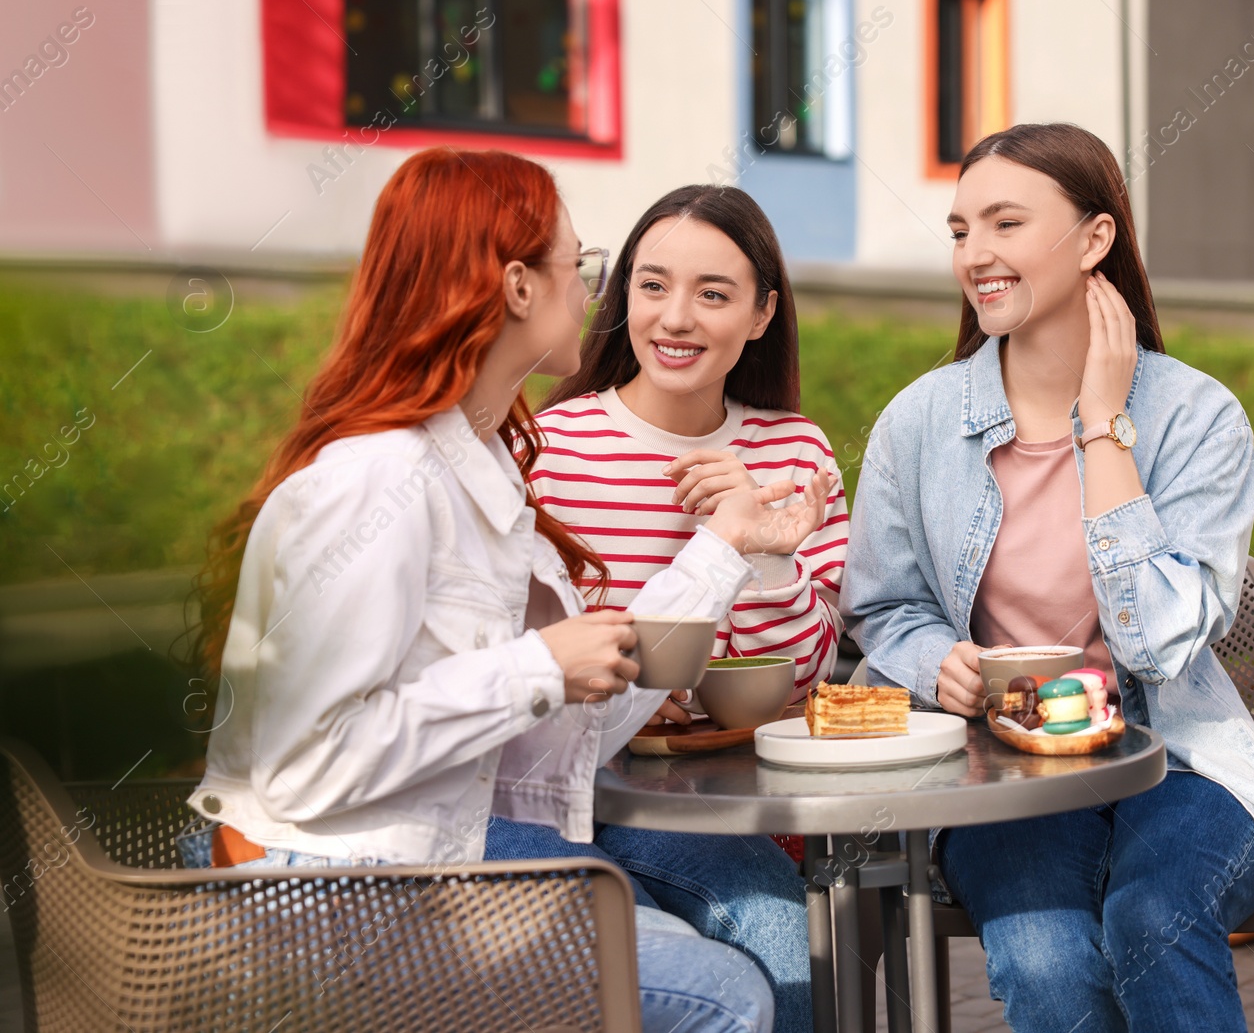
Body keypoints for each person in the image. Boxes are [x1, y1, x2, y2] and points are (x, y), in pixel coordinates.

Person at [182, 148, 833, 1033]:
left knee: (740, 953)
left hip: (421, 860)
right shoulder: (382, 482)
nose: (595, 294)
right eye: (584, 266)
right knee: (720, 994)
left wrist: (725, 549)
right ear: (520, 287)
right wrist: (536, 667)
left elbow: (575, 733)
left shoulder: (479, 466)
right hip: (333, 889)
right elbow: (308, 764)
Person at [840, 123, 1254, 1033]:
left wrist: (1101, 424)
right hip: (1004, 761)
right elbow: (885, 606)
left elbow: (1165, 644)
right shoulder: (918, 423)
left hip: (1180, 754)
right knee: (1045, 958)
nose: (977, 254)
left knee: (1155, 919)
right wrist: (939, 659)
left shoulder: (1198, 417)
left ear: (1095, 240)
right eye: (962, 230)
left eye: (1006, 223)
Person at [486, 185, 847, 1033]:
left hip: (701, 798)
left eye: (713, 293)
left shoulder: (795, 452)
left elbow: (806, 673)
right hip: (548, 784)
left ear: (761, 313)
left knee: (777, 930)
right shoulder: (551, 445)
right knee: (639, 960)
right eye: (652, 286)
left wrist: (761, 546)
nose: (675, 318)